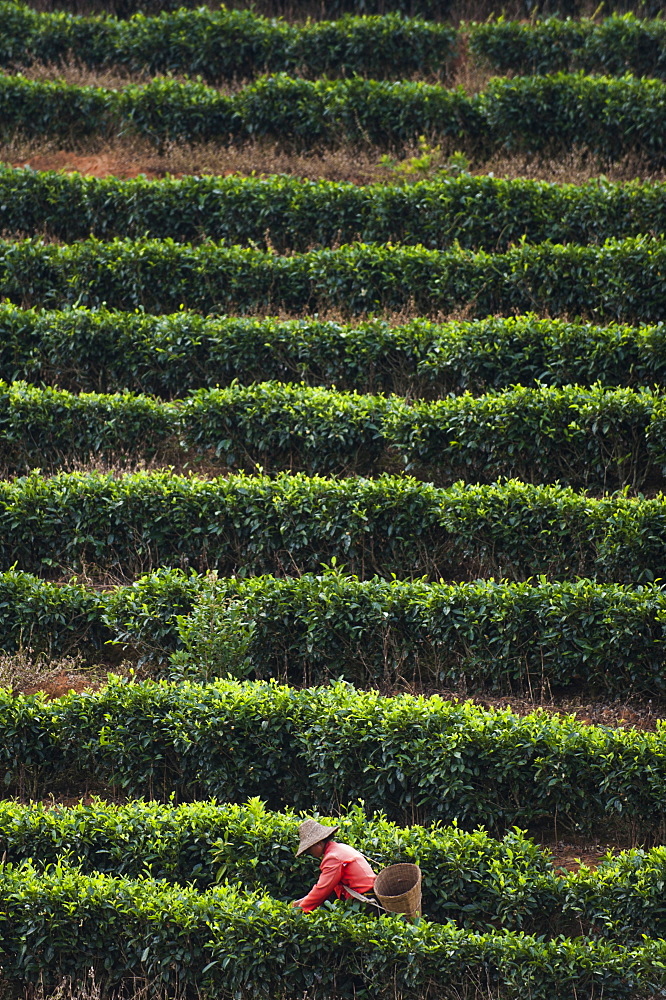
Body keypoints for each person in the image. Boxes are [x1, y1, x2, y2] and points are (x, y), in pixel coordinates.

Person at [290, 818, 376, 913]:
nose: (310, 853)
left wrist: (299, 910)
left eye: (309, 850)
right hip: (369, 896)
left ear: (318, 843)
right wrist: (302, 901)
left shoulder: (333, 858)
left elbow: (322, 890)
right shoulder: (340, 847)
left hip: (364, 900)